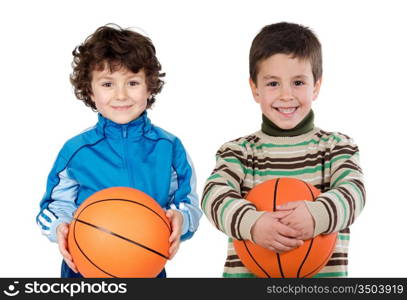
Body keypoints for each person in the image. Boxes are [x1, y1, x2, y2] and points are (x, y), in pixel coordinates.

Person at [36, 24, 202, 278]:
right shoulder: (76, 151)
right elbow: (54, 208)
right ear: (90, 91)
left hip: (147, 266)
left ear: (149, 87)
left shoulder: (169, 148)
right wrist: (61, 226)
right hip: (84, 269)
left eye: (133, 82)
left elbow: (187, 202)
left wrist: (180, 218)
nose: (121, 95)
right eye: (107, 84)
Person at [201, 22, 365, 278]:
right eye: (273, 84)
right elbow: (213, 196)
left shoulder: (336, 147)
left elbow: (354, 192)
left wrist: (317, 215)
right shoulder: (238, 152)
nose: (286, 95)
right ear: (255, 88)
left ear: (317, 86)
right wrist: (252, 223)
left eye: (298, 82)